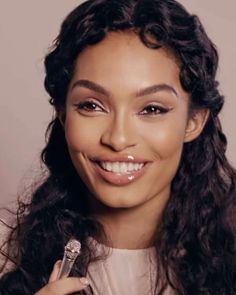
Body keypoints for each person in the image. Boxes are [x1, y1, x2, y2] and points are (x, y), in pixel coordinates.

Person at [1, 0, 236, 294]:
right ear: (63, 115)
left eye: (152, 109)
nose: (118, 138)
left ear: (194, 122)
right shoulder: (6, 253)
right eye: (91, 105)